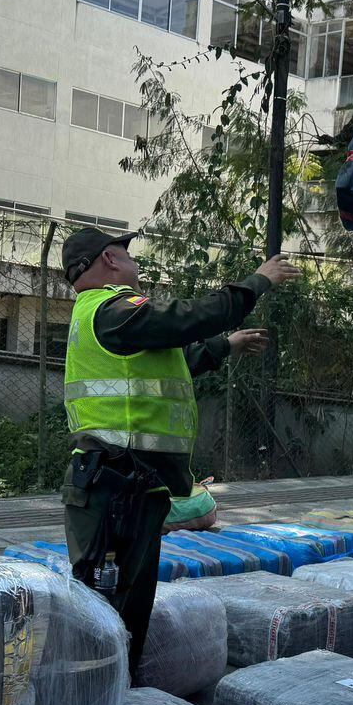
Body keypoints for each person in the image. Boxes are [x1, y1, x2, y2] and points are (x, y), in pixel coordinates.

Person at [59, 226, 297, 679]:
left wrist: (226, 345)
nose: (135, 264)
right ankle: (100, 703)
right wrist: (256, 281)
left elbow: (172, 360)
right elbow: (184, 318)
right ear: (109, 259)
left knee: (124, 610)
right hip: (115, 484)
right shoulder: (111, 310)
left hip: (128, 484)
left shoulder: (105, 319)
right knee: (110, 614)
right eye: (127, 255)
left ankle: (112, 700)